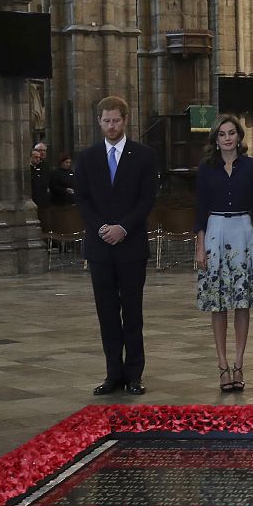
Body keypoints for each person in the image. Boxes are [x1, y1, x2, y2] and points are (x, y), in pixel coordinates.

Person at [74, 96, 158, 396]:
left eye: (116, 120)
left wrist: (123, 227)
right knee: (107, 313)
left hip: (131, 245)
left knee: (132, 312)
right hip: (99, 247)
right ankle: (113, 374)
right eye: (106, 121)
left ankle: (134, 374)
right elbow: (82, 199)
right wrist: (101, 228)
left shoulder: (144, 155)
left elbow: (146, 199)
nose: (111, 126)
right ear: (99, 122)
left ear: (125, 120)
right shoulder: (87, 158)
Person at [194, 114, 253, 392]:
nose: (227, 138)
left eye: (231, 133)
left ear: (239, 137)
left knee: (241, 301)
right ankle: (222, 364)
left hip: (243, 231)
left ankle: (239, 363)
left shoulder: (251, 167)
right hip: (215, 230)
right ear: (215, 139)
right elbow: (200, 210)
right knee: (218, 302)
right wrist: (200, 247)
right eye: (221, 134)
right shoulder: (206, 168)